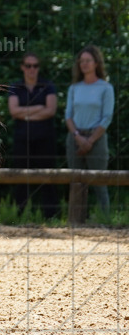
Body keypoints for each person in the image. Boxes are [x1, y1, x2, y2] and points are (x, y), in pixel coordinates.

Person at [64, 44, 115, 217]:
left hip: (97, 139)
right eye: (81, 61)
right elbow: (68, 116)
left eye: (88, 60)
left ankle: (106, 221)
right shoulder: (74, 88)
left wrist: (90, 141)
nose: (84, 64)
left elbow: (107, 117)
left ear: (96, 63)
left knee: (99, 183)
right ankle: (77, 222)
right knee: (76, 182)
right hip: (75, 138)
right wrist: (78, 137)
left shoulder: (106, 88)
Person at [7, 52, 59, 218]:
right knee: (21, 178)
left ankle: (51, 217)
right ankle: (20, 217)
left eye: (35, 66)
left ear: (38, 68)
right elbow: (13, 111)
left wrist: (26, 113)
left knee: (48, 178)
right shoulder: (15, 86)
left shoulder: (48, 85)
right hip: (22, 139)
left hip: (45, 139)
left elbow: (51, 110)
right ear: (23, 67)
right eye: (28, 66)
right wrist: (38, 108)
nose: (31, 69)